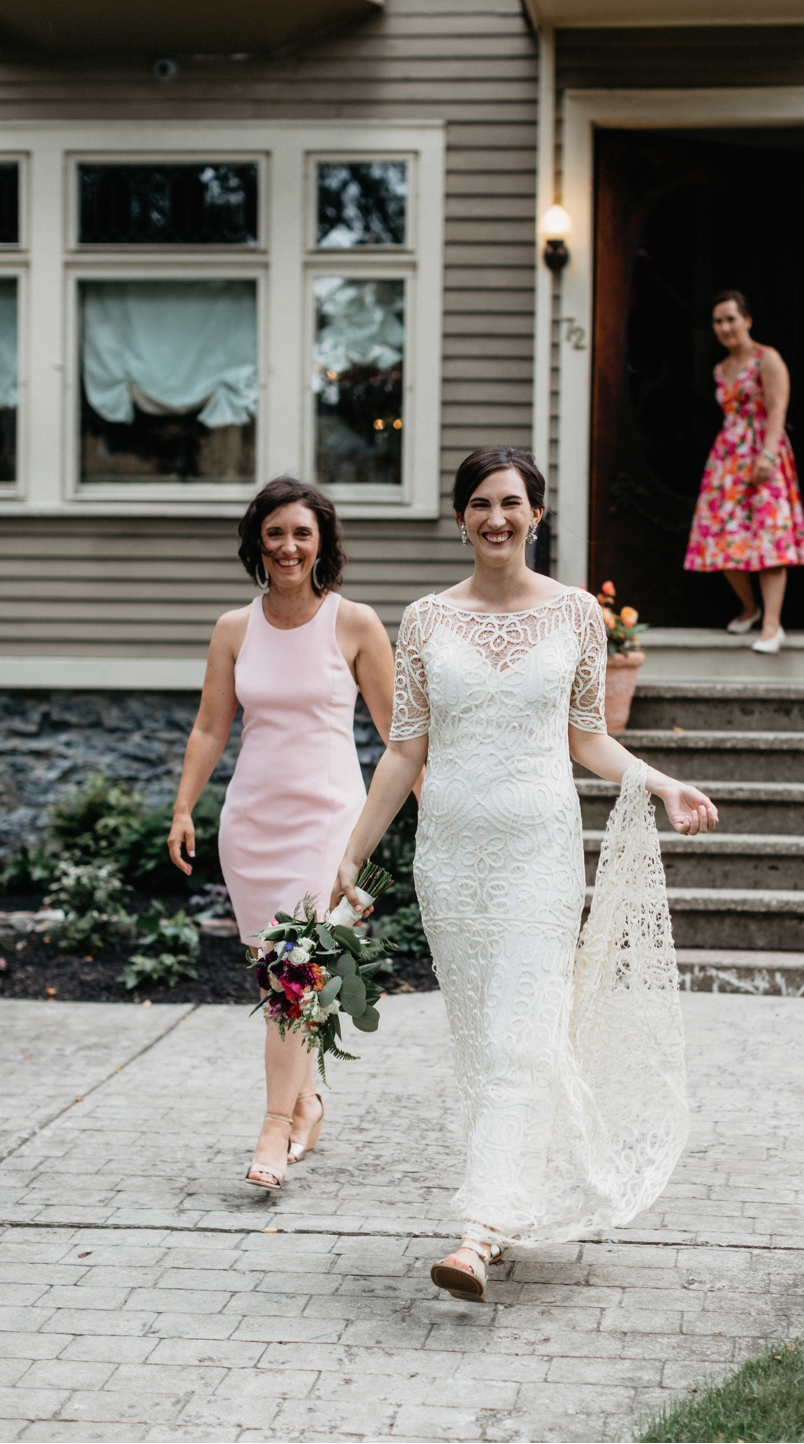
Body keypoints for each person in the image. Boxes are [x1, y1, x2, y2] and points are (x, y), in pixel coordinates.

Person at [331, 445, 718, 1301]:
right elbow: (405, 750)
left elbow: (588, 737)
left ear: (536, 515)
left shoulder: (578, 615)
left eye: (511, 503)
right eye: (480, 504)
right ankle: (509, 1201)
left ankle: (476, 1234)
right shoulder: (427, 619)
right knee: (486, 1040)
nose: (496, 518)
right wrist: (355, 848)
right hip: (453, 863)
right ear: (462, 516)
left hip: (541, 855)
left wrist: (657, 783)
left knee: (518, 1034)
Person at [168, 476, 394, 1191]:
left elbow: (399, 735)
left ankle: (274, 1128)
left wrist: (437, 809)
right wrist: (183, 807)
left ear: (321, 540)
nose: (289, 546)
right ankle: (307, 1103)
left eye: (302, 532)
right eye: (275, 534)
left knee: (296, 972)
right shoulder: (235, 628)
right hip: (253, 822)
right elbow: (211, 725)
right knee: (281, 978)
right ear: (257, 544)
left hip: (330, 821)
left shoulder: (355, 623)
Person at [684, 289, 804, 654]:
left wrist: (769, 455)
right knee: (723, 539)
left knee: (768, 540)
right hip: (727, 458)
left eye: (731, 318)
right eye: (718, 321)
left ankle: (772, 627)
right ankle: (750, 608)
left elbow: (777, 408)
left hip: (762, 451)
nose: (725, 327)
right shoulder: (720, 367)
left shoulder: (766, 358)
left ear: (747, 320)